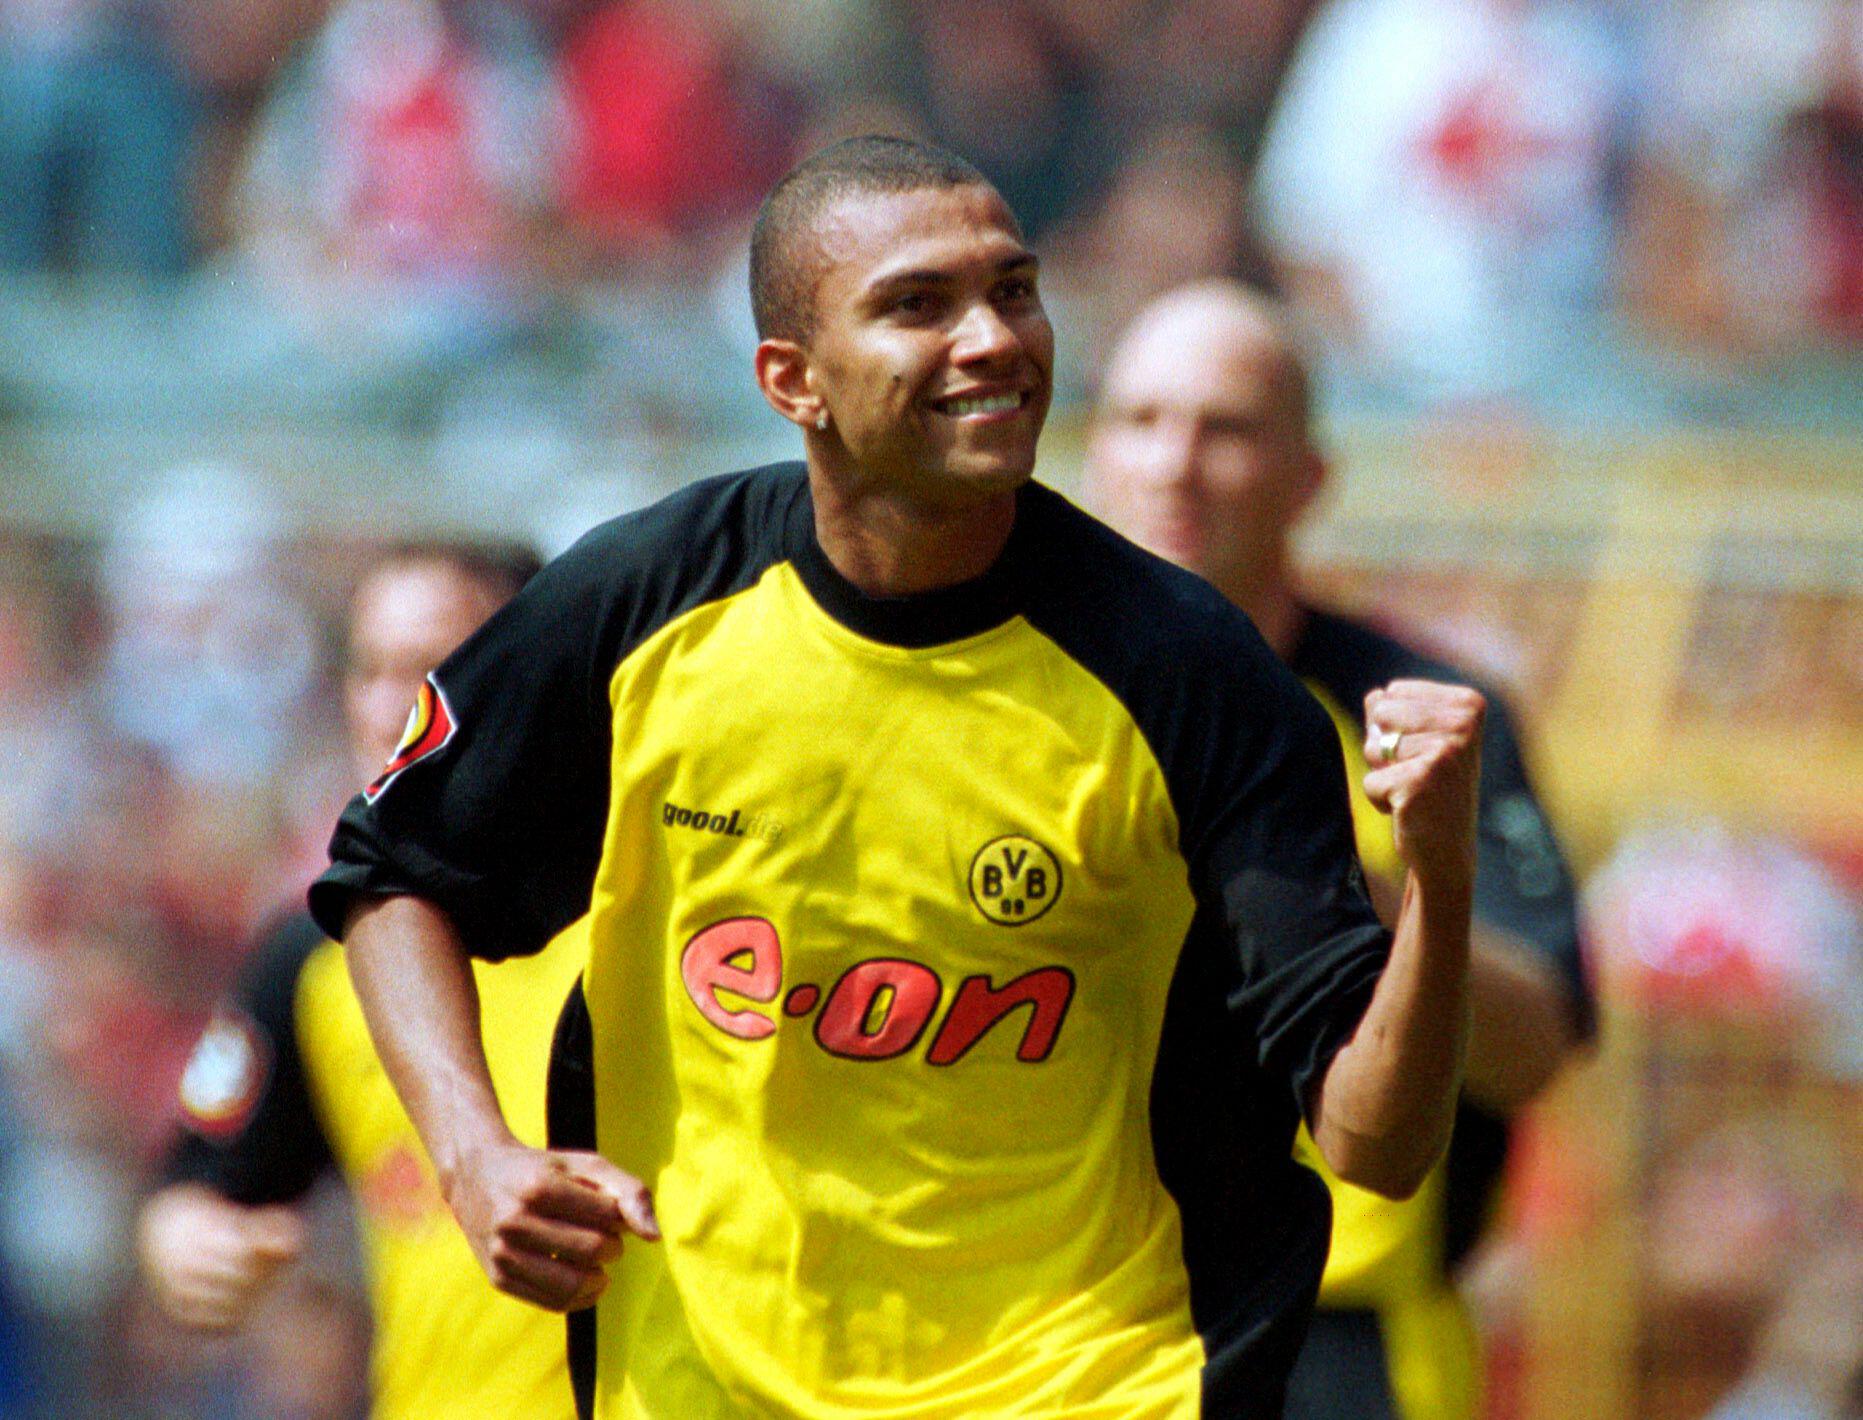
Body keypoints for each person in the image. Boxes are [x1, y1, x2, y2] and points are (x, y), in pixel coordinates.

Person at [308, 135, 1486, 1420]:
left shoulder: (1193, 674)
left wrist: (1438, 877)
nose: (992, 337)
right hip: (703, 1384)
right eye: (919, 306)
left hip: (1091, 1387)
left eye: (1015, 290)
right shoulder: (643, 603)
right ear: (792, 380)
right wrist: (475, 1158)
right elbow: (390, 872)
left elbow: (1378, 1141)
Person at [1084, 279, 1594, 1420]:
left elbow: (1538, 1047)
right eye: (1141, 420)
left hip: (1340, 1341)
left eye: (1225, 429)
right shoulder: (992, 692)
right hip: (1044, 1321)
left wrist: (1331, 883)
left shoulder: (1428, 713)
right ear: (1088, 449)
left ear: (1311, 476)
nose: (1173, 464)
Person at [137, 539, 587, 1420]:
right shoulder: (310, 957)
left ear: (538, 676)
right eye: (367, 668)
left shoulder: (645, 917)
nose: (388, 709)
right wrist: (188, 1244)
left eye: (428, 669)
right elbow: (200, 1183)